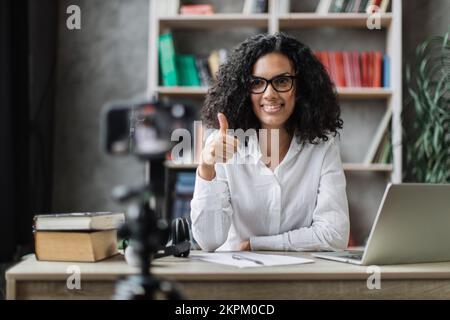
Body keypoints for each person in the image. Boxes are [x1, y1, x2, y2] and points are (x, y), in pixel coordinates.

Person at [190, 32, 349, 252]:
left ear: (300, 87)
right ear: (245, 91)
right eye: (257, 83)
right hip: (234, 276)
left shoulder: (323, 147)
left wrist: (255, 244)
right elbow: (208, 241)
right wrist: (207, 168)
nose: (270, 94)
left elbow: (334, 235)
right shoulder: (222, 144)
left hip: (298, 277)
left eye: (282, 81)